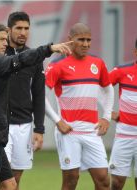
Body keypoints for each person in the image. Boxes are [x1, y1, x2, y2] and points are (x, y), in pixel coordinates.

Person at [0, 22, 72, 190]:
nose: (6, 43)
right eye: (1, 39)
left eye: (6, 39)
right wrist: (49, 49)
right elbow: (21, 59)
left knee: (10, 185)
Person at [45, 23, 114, 190]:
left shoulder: (97, 63)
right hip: (69, 131)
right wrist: (57, 120)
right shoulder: (58, 64)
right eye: (81, 39)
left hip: (92, 131)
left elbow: (108, 89)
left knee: (103, 181)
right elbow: (41, 94)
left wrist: (106, 116)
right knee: (71, 180)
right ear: (70, 40)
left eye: (88, 40)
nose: (85, 44)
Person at [4, 11, 44, 189]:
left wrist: (39, 128)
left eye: (26, 28)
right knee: (2, 179)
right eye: (18, 28)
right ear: (8, 30)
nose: (23, 32)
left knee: (16, 179)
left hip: (24, 126)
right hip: (0, 124)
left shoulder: (34, 57)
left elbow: (38, 93)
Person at [109, 39, 137, 190]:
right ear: (135, 52)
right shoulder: (122, 71)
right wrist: (108, 112)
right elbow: (101, 87)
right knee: (117, 183)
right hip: (124, 135)